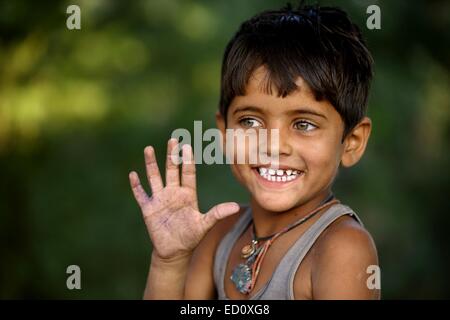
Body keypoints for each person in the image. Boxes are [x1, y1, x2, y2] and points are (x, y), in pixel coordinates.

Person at [129, 3, 380, 300]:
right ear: (224, 133)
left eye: (303, 124)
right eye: (250, 121)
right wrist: (169, 262)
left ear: (351, 142)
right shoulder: (219, 235)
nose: (273, 145)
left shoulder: (340, 249)